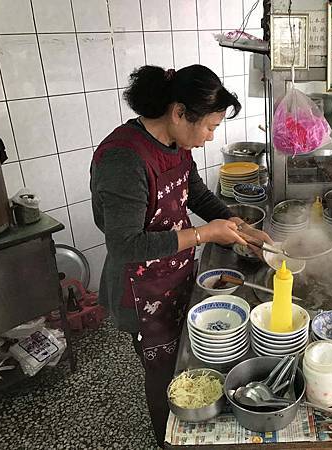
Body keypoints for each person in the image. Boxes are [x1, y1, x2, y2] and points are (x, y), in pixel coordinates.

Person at [90, 64, 270, 448]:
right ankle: (165, 441)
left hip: (175, 274)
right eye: (209, 127)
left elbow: (197, 194)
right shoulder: (124, 159)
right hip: (141, 292)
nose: (208, 138)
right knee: (162, 373)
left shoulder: (176, 145)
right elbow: (124, 245)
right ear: (178, 112)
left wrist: (233, 222)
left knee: (183, 362)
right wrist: (205, 233)